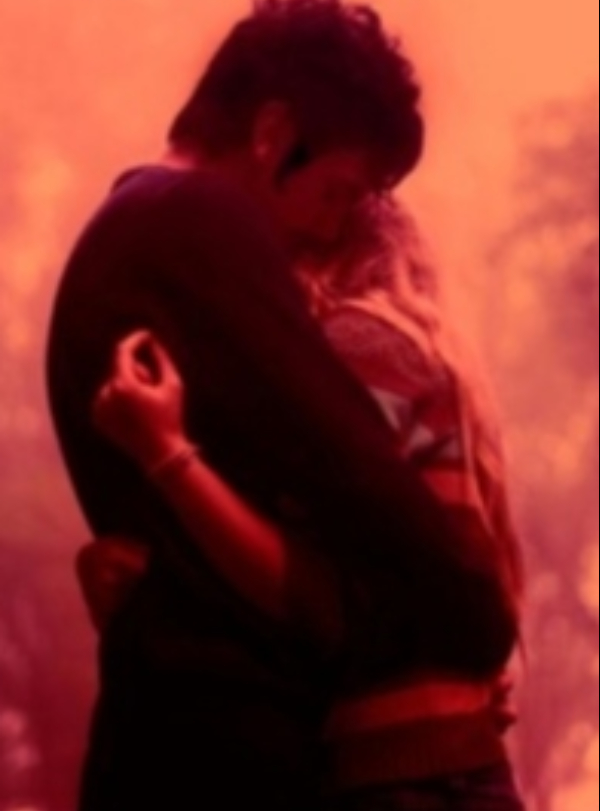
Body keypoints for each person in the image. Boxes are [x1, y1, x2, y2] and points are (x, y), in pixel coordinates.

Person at [46, 0, 518, 811]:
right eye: (335, 191)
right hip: (218, 761)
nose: (334, 230)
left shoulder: (127, 233)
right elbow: (356, 475)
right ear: (272, 135)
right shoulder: (194, 219)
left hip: (172, 743)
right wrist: (478, 621)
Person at [88, 198, 526, 810]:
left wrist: (166, 456)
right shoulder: (415, 348)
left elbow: (309, 586)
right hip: (431, 765)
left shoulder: (361, 341)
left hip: (403, 770)